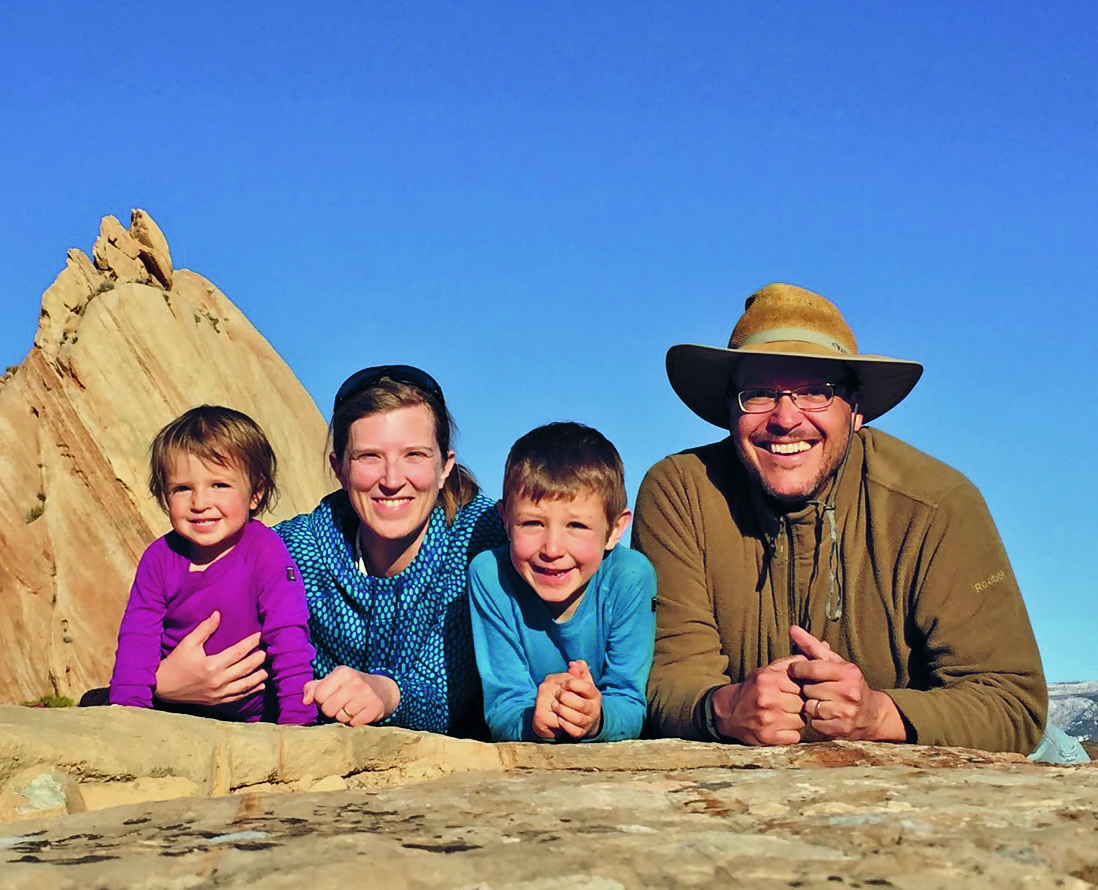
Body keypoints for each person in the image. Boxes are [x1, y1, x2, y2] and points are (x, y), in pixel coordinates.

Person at [632, 283, 1053, 756]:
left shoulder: (939, 505)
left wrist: (880, 715)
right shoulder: (680, 493)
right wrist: (725, 708)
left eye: (816, 392)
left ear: (857, 410)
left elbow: (1013, 705)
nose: (786, 418)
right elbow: (665, 676)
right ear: (731, 409)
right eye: (759, 394)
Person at [151, 366, 505, 734]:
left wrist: (387, 694)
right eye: (369, 456)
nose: (392, 480)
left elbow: (465, 688)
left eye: (414, 455)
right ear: (339, 468)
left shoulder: (481, 538)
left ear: (444, 466)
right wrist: (163, 685)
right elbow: (212, 642)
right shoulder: (293, 550)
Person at [108, 406, 316, 725]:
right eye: (182, 488)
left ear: (256, 492)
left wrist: (298, 719)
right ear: (165, 496)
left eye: (219, 485)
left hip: (257, 717)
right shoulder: (158, 559)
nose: (200, 503)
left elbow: (287, 634)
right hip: (175, 712)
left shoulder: (265, 551)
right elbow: (138, 638)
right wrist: (128, 714)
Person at [469, 422, 656, 742]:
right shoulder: (489, 575)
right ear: (505, 520)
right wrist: (532, 721)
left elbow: (629, 701)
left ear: (615, 529)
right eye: (531, 523)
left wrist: (596, 718)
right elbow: (503, 705)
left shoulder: (631, 576)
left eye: (577, 526)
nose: (552, 549)